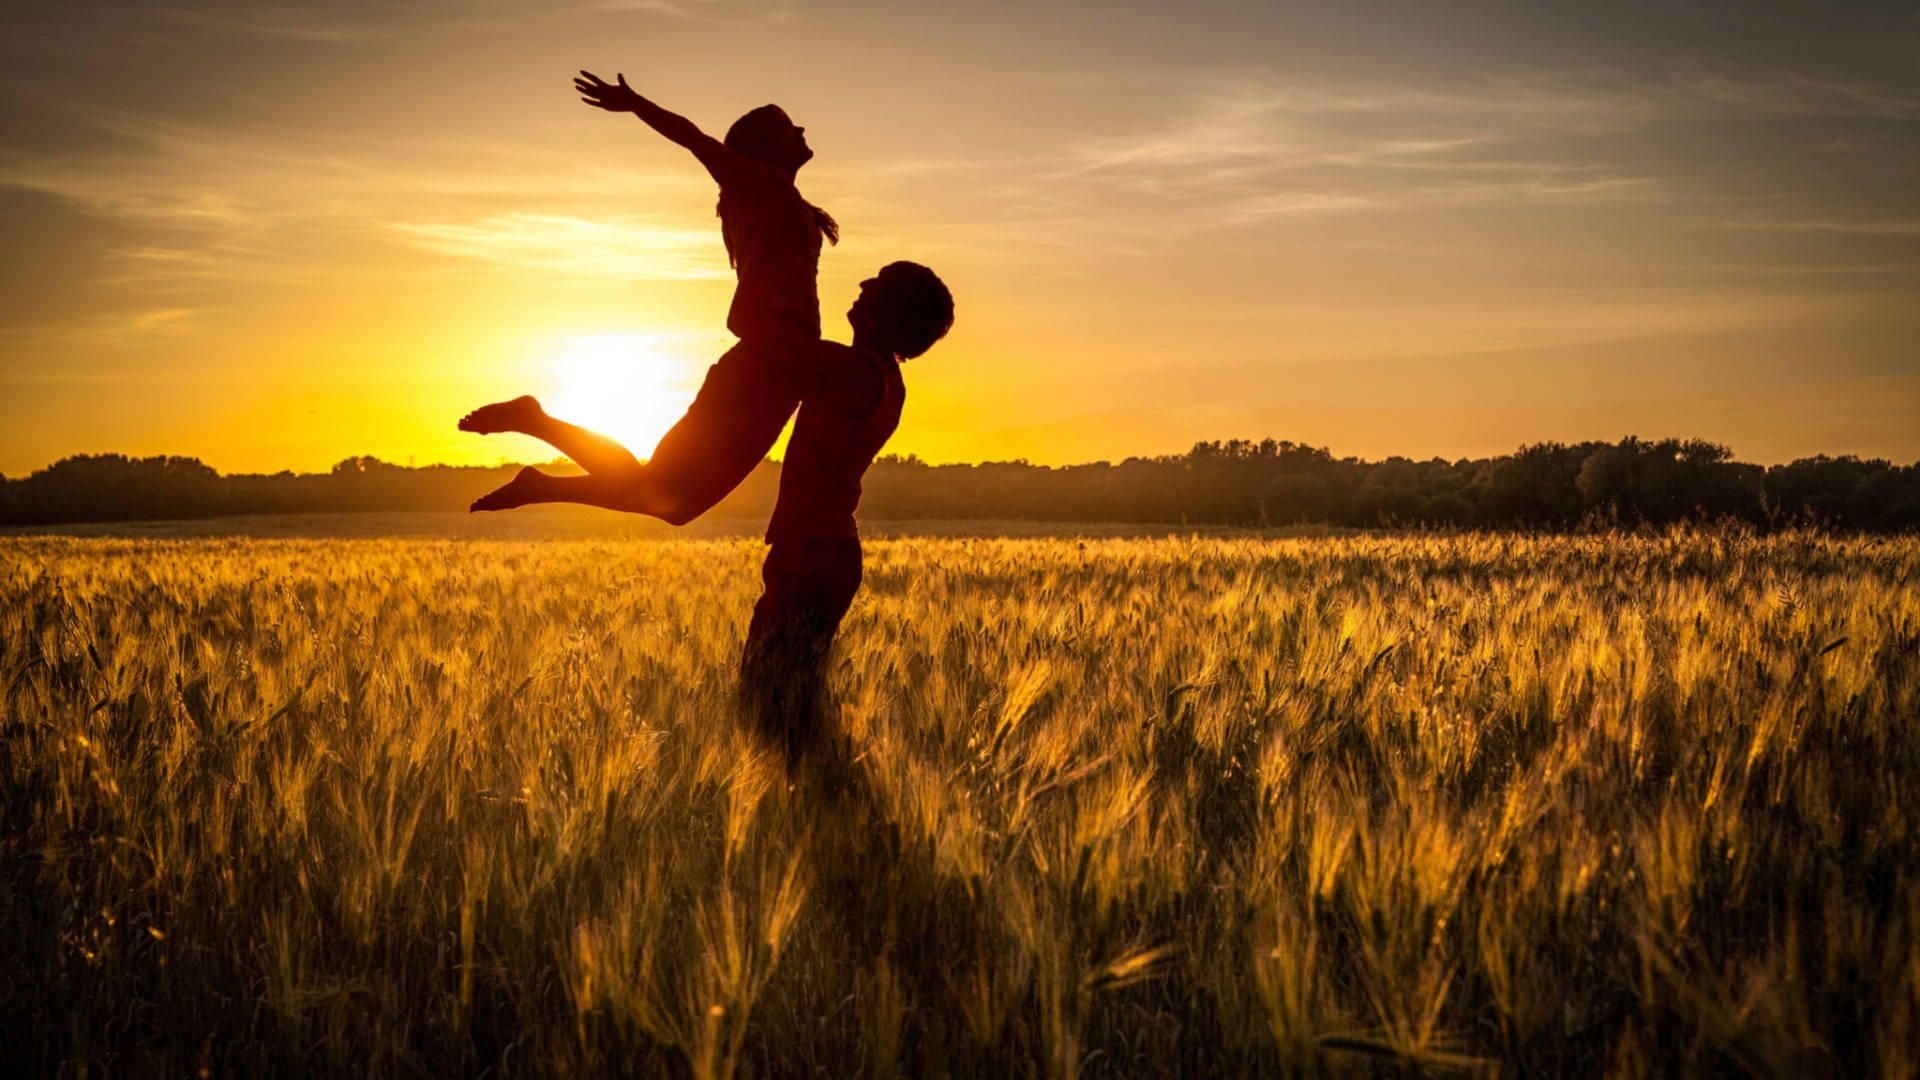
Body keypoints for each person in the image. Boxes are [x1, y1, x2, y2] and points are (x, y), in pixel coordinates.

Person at [461, 70, 837, 521]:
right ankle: (535, 425)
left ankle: (538, 475)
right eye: (787, 126)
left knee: (676, 504)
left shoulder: (783, 200)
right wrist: (637, 104)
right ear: (763, 147)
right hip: (765, 361)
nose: (800, 130)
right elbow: (694, 139)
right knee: (664, 491)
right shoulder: (752, 185)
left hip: (783, 367)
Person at [738, 262, 953, 777]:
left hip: (812, 551)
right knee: (789, 702)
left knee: (768, 703)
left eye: (877, 284)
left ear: (891, 312)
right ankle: (824, 808)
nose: (861, 285)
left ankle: (821, 808)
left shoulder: (854, 371)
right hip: (824, 551)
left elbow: (761, 336)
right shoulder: (876, 374)